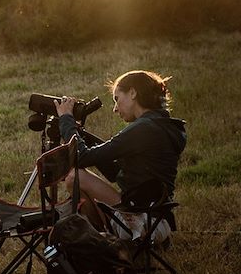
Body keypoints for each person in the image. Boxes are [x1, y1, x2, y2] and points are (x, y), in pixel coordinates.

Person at [55, 70, 186, 240]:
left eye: (117, 99)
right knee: (78, 175)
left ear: (133, 93)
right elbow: (116, 173)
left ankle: (102, 242)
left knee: (75, 176)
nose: (115, 109)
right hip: (159, 221)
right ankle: (108, 240)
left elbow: (82, 157)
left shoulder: (144, 128)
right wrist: (85, 138)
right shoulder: (163, 127)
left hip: (141, 222)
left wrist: (66, 120)